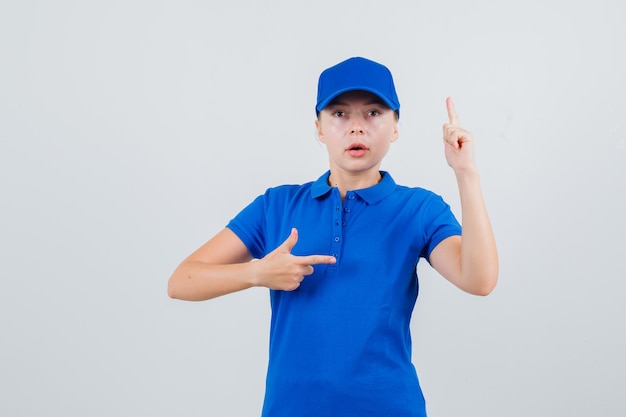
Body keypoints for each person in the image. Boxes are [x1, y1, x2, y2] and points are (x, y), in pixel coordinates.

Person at [167, 56, 498, 417]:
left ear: (396, 127)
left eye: (373, 113)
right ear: (320, 128)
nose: (357, 128)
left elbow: (479, 279)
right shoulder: (276, 205)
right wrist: (256, 273)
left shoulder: (419, 209)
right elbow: (182, 280)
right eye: (339, 114)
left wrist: (466, 173)